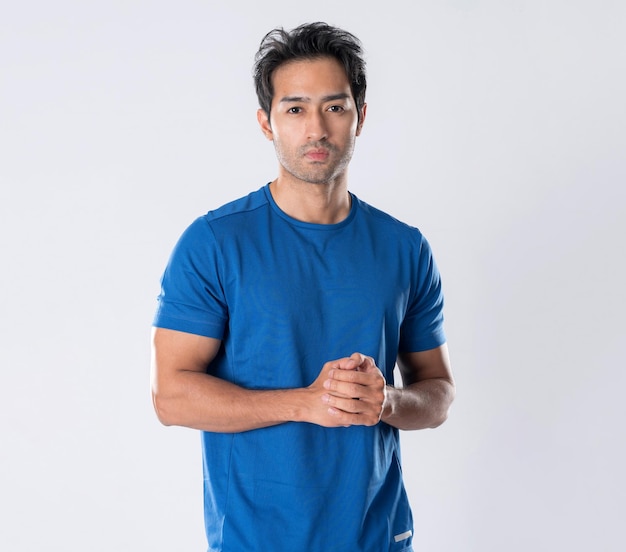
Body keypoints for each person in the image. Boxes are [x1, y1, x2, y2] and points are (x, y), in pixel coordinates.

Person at [151, 21, 455, 552]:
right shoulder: (215, 243)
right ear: (267, 123)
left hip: (378, 538)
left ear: (360, 116)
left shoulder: (405, 248)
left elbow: (438, 394)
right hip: (257, 540)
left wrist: (386, 402)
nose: (315, 128)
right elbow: (171, 396)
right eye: (295, 109)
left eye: (334, 107)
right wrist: (304, 403)